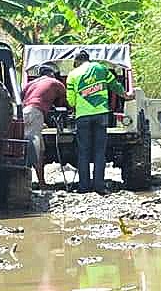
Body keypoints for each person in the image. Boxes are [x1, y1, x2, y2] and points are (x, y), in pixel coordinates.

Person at [65, 50, 133, 194]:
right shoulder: (101, 68)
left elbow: (71, 101)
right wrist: (126, 95)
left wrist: (77, 104)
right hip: (101, 114)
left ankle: (84, 187)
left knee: (84, 151)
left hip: (82, 117)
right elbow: (114, 85)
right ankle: (99, 186)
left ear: (77, 61)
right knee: (99, 151)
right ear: (88, 59)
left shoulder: (73, 75)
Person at [22, 64, 67, 190]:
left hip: (25, 113)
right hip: (35, 114)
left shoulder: (30, 84)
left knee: (40, 150)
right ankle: (26, 183)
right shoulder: (54, 82)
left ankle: (41, 182)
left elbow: (22, 98)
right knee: (33, 150)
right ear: (52, 74)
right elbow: (66, 100)